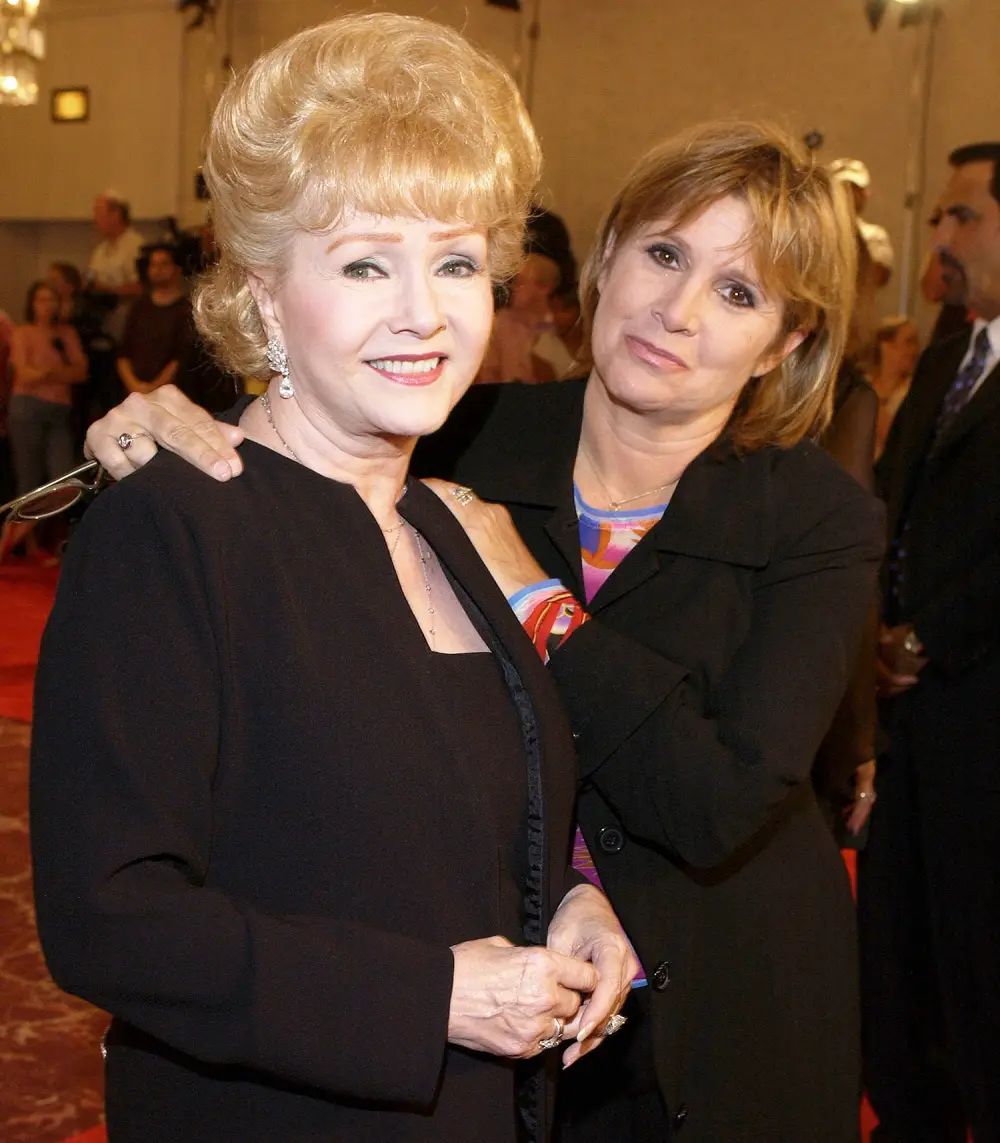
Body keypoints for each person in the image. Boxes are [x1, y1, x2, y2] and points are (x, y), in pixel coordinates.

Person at [85, 120, 885, 1143]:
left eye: (738, 293)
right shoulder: (456, 426)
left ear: (788, 342)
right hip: (476, 980)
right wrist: (164, 427)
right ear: (606, 256)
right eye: (665, 254)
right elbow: (284, 447)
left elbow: (716, 799)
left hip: (723, 997)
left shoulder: (819, 519)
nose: (677, 312)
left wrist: (535, 600)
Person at [30, 16, 636, 1143]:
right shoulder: (177, 521)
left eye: (455, 261)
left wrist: (571, 900)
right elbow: (106, 917)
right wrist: (429, 998)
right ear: (263, 294)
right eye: (365, 263)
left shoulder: (441, 522)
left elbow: (454, 820)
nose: (423, 312)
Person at [860, 140, 1000, 1143]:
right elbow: (894, 504)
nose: (941, 236)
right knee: (897, 972)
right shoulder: (954, 347)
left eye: (963, 217)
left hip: (981, 717)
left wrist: (926, 638)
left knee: (980, 977)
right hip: (907, 729)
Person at [0, 282, 87, 564]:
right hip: (27, 409)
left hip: (59, 411)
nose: (46, 305)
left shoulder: (66, 333)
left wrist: (47, 372)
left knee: (61, 479)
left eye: (51, 299)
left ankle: (21, 540)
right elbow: (24, 373)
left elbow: (81, 371)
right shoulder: (24, 332)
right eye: (41, 299)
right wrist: (58, 372)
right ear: (32, 303)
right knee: (28, 479)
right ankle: (17, 544)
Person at [116, 244, 193, 394]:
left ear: (177, 269)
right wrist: (134, 386)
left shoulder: (186, 309)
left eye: (164, 264)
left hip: (171, 393)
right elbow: (123, 352)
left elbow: (181, 358)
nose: (157, 269)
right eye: (153, 264)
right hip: (134, 391)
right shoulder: (139, 306)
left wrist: (154, 388)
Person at [830, 157, 895, 287]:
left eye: (854, 188)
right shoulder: (813, 231)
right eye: (842, 187)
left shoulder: (875, 236)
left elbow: (877, 277)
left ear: (865, 193)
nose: (848, 194)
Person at [868, 315, 920, 458]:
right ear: (885, 346)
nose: (915, 350)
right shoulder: (862, 385)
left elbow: (900, 442)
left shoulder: (916, 392)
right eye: (909, 342)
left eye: (916, 343)